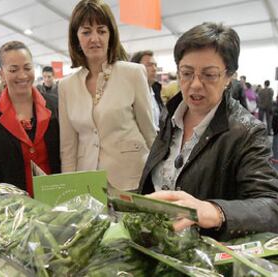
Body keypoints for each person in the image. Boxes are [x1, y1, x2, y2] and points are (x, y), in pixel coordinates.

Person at [137, 22, 278, 240]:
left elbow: (271, 206)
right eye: (186, 73)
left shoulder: (247, 131)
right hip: (160, 244)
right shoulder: (171, 114)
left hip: (203, 256)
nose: (194, 85)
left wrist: (215, 211)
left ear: (229, 76)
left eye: (209, 75)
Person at [59, 0, 156, 191]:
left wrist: (159, 176)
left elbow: (149, 131)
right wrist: (70, 187)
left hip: (131, 177)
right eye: (86, 32)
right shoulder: (65, 86)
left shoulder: (134, 73)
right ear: (76, 38)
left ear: (111, 35)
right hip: (88, 181)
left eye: (101, 31)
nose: (94, 38)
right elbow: (68, 147)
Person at [0, 41, 60, 201]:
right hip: (15, 212)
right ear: (2, 74)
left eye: (27, 68)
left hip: (58, 203)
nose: (22, 75)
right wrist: (1, 207)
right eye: (13, 70)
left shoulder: (56, 105)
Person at [130, 50, 164, 130]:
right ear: (135, 68)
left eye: (155, 65)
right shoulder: (129, 95)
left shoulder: (156, 91)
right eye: (149, 65)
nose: (154, 69)